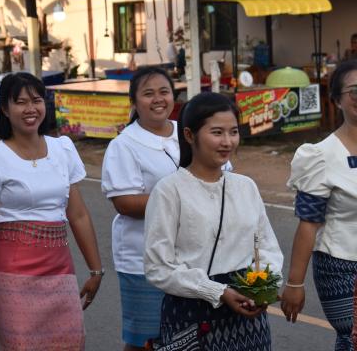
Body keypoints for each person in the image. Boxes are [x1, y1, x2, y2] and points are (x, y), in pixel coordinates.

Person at [0, 72, 103, 350]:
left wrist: (96, 271)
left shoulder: (62, 149)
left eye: (36, 100)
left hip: (60, 272)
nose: (30, 109)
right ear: (5, 109)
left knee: (70, 344)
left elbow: (78, 215)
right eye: (20, 102)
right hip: (11, 278)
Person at [144, 92, 283, 350]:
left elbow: (266, 248)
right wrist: (217, 291)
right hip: (191, 317)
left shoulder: (246, 187)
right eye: (217, 132)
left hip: (249, 318)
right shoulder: (169, 191)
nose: (227, 142)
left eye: (233, 132)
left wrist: (265, 285)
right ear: (189, 135)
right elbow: (158, 267)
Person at [101, 66, 179, 351]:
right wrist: (182, 199)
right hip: (143, 258)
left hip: (193, 254)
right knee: (145, 340)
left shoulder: (189, 134)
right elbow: (125, 204)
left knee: (186, 335)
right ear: (134, 102)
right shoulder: (125, 145)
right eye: (148, 94)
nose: (158, 99)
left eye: (164, 92)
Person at [282, 59, 357, 351]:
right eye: (355, 91)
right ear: (337, 99)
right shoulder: (320, 156)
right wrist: (295, 284)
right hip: (341, 265)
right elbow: (308, 223)